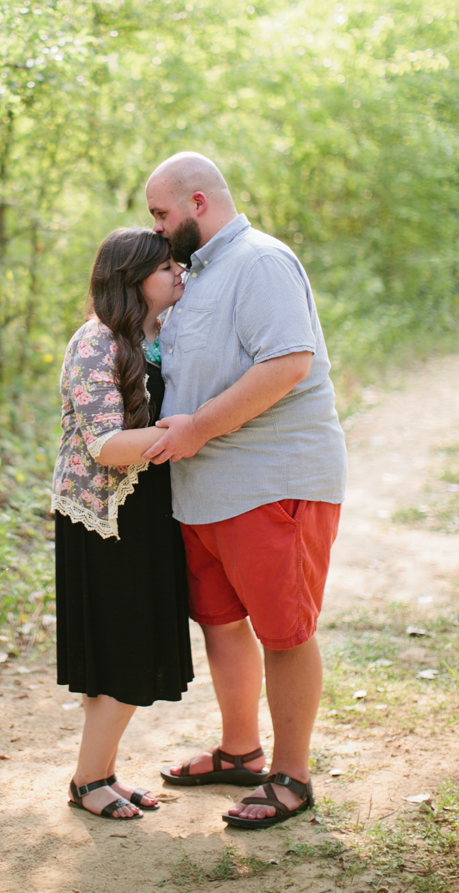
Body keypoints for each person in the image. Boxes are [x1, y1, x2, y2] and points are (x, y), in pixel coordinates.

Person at [143, 152, 347, 830]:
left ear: (198, 202)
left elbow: (289, 363)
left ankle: (292, 776)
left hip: (271, 481)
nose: (157, 227)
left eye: (161, 213)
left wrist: (198, 428)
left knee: (284, 630)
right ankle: (240, 751)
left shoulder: (260, 261)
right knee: (222, 623)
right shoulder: (194, 276)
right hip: (205, 489)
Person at [52, 227, 194, 820]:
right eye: (166, 267)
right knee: (122, 650)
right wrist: (188, 430)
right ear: (134, 279)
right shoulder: (96, 342)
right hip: (105, 519)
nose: (179, 274)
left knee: (125, 648)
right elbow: (107, 445)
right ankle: (88, 782)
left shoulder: (158, 336)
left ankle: (102, 771)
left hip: (148, 513)